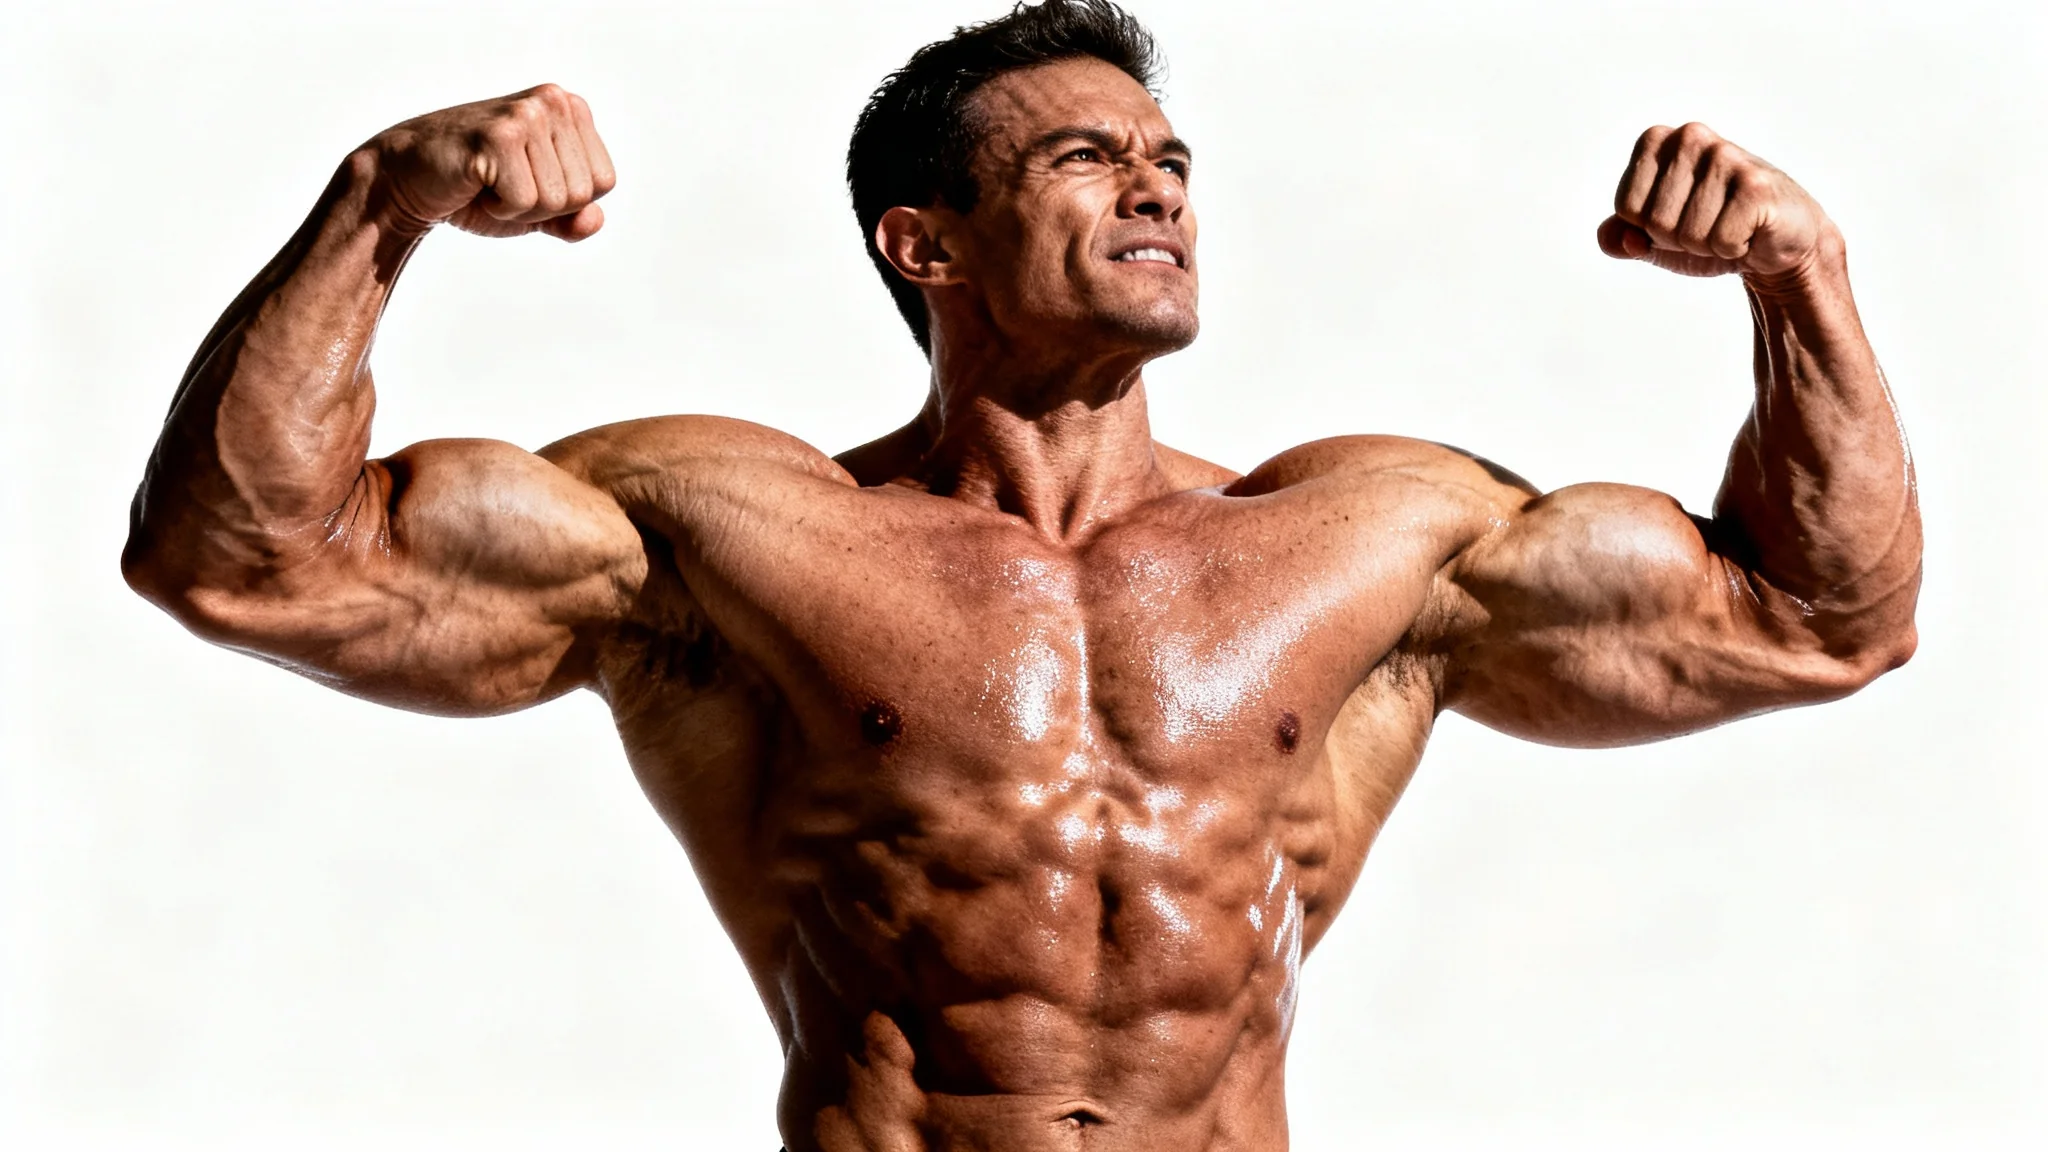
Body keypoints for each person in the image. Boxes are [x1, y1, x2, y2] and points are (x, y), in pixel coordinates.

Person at [119, 1, 1921, 1148]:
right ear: (929, 244)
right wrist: (379, 204)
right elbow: (242, 560)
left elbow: (1828, 618)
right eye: (1085, 158)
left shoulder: (1370, 538)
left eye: (1170, 162)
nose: (1157, 192)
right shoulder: (737, 535)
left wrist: (1804, 276)